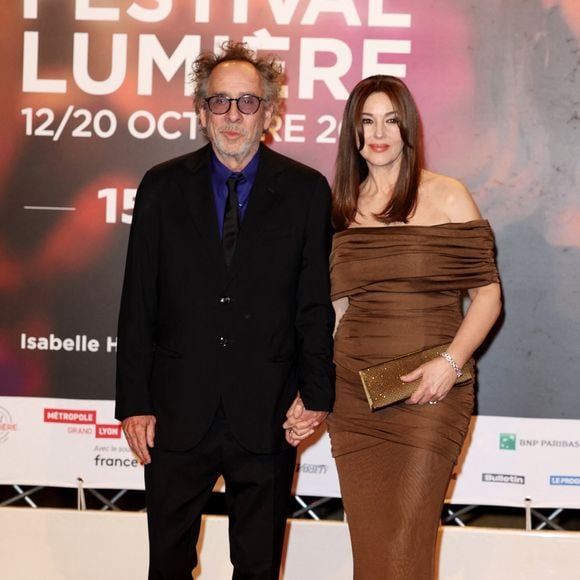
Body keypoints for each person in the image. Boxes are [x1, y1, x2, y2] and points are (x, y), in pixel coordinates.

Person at [115, 41, 335, 580]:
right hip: (174, 410)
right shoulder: (162, 188)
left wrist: (318, 393)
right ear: (199, 110)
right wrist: (134, 402)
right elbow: (138, 299)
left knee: (258, 567)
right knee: (166, 564)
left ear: (270, 111)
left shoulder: (307, 191)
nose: (233, 116)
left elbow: (313, 303)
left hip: (268, 413)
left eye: (247, 102)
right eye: (220, 102)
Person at [327, 75, 502, 580]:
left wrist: (450, 363)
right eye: (366, 121)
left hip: (432, 395)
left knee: (405, 543)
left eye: (390, 119)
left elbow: (488, 297)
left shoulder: (447, 195)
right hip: (355, 398)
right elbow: (336, 312)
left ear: (408, 127)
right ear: (352, 132)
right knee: (372, 551)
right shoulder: (342, 210)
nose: (378, 132)